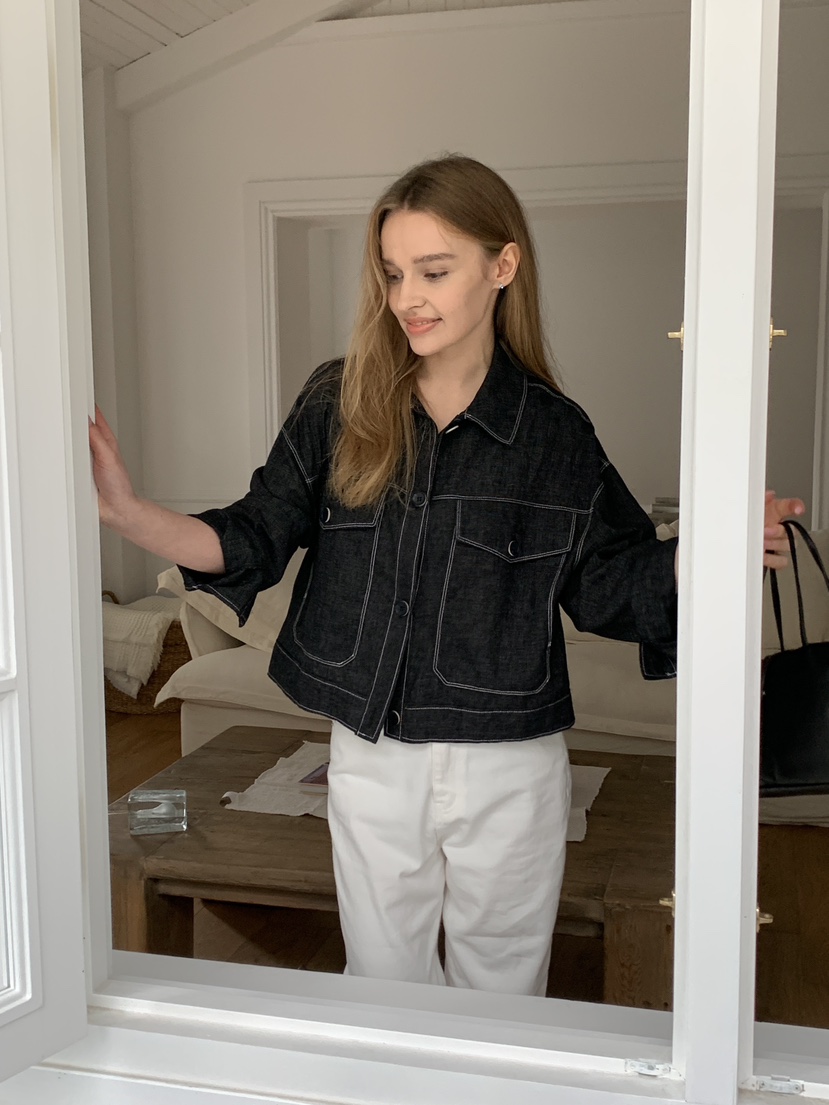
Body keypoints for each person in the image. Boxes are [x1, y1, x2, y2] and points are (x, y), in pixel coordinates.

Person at [90, 154, 804, 997]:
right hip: (371, 751)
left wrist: (700, 551)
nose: (408, 298)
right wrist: (131, 515)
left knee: (502, 990)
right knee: (379, 983)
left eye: (433, 271)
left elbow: (605, 583)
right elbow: (253, 534)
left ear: (502, 266)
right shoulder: (338, 401)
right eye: (393, 274)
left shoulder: (553, 433)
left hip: (509, 762)